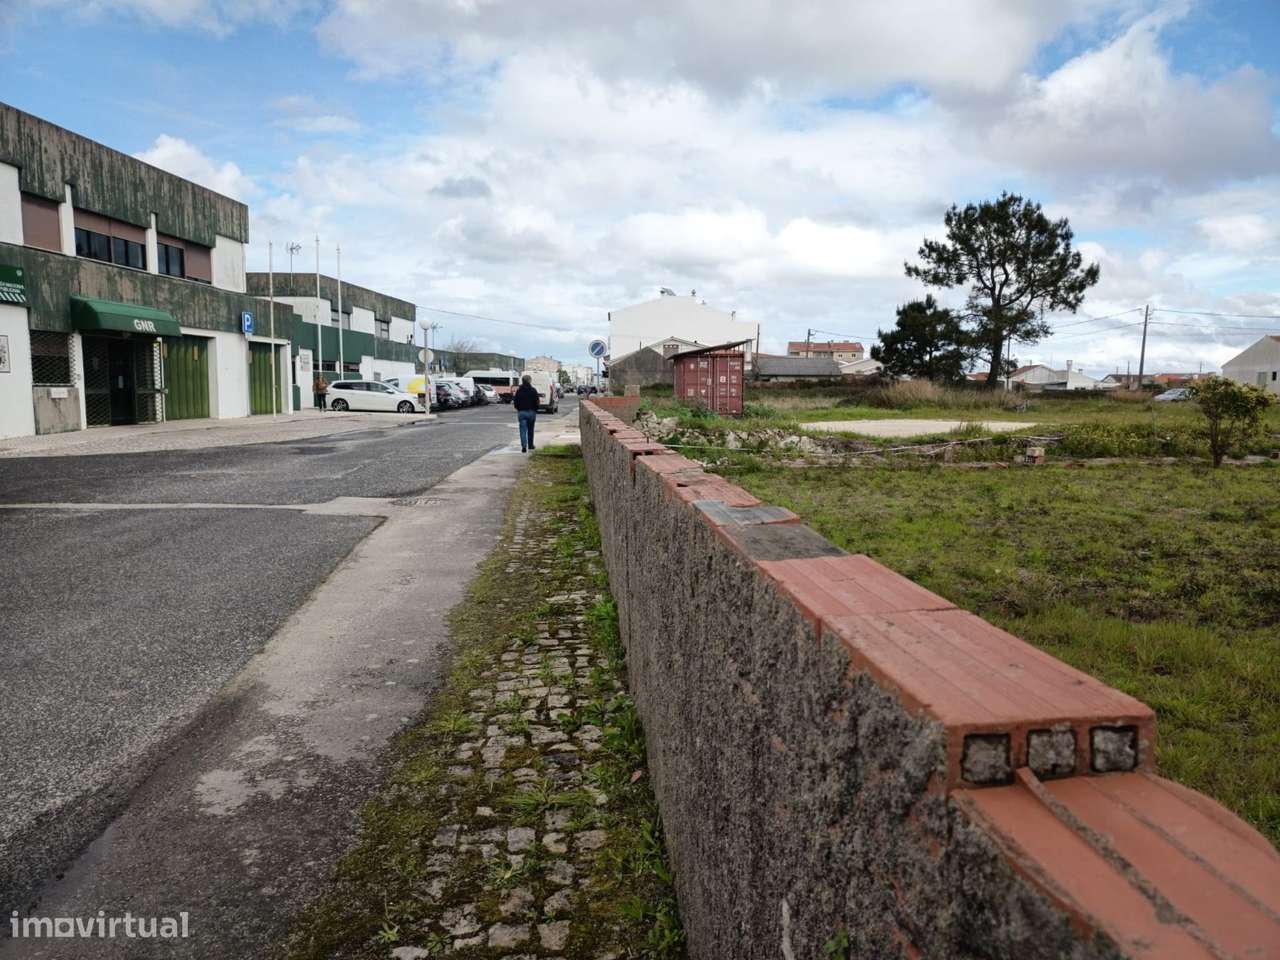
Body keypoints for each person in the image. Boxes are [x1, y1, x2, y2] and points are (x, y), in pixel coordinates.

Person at [513, 373, 540, 452]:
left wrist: (519, 409)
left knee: (522, 430)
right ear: (529, 381)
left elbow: (515, 402)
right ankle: (531, 445)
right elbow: (537, 402)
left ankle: (524, 445)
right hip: (531, 412)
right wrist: (535, 409)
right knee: (531, 430)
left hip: (521, 412)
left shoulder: (519, 391)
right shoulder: (533, 390)